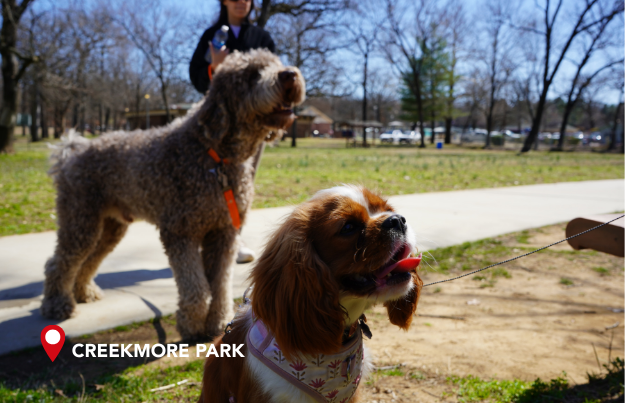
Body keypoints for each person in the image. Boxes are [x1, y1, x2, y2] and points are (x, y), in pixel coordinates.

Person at [189, 0, 276, 264]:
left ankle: (233, 237)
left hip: (252, 125)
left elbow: (272, 79)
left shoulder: (261, 38)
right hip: (219, 124)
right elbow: (196, 77)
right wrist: (215, 66)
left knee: (243, 182)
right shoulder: (211, 36)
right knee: (211, 181)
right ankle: (207, 239)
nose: (242, 3)